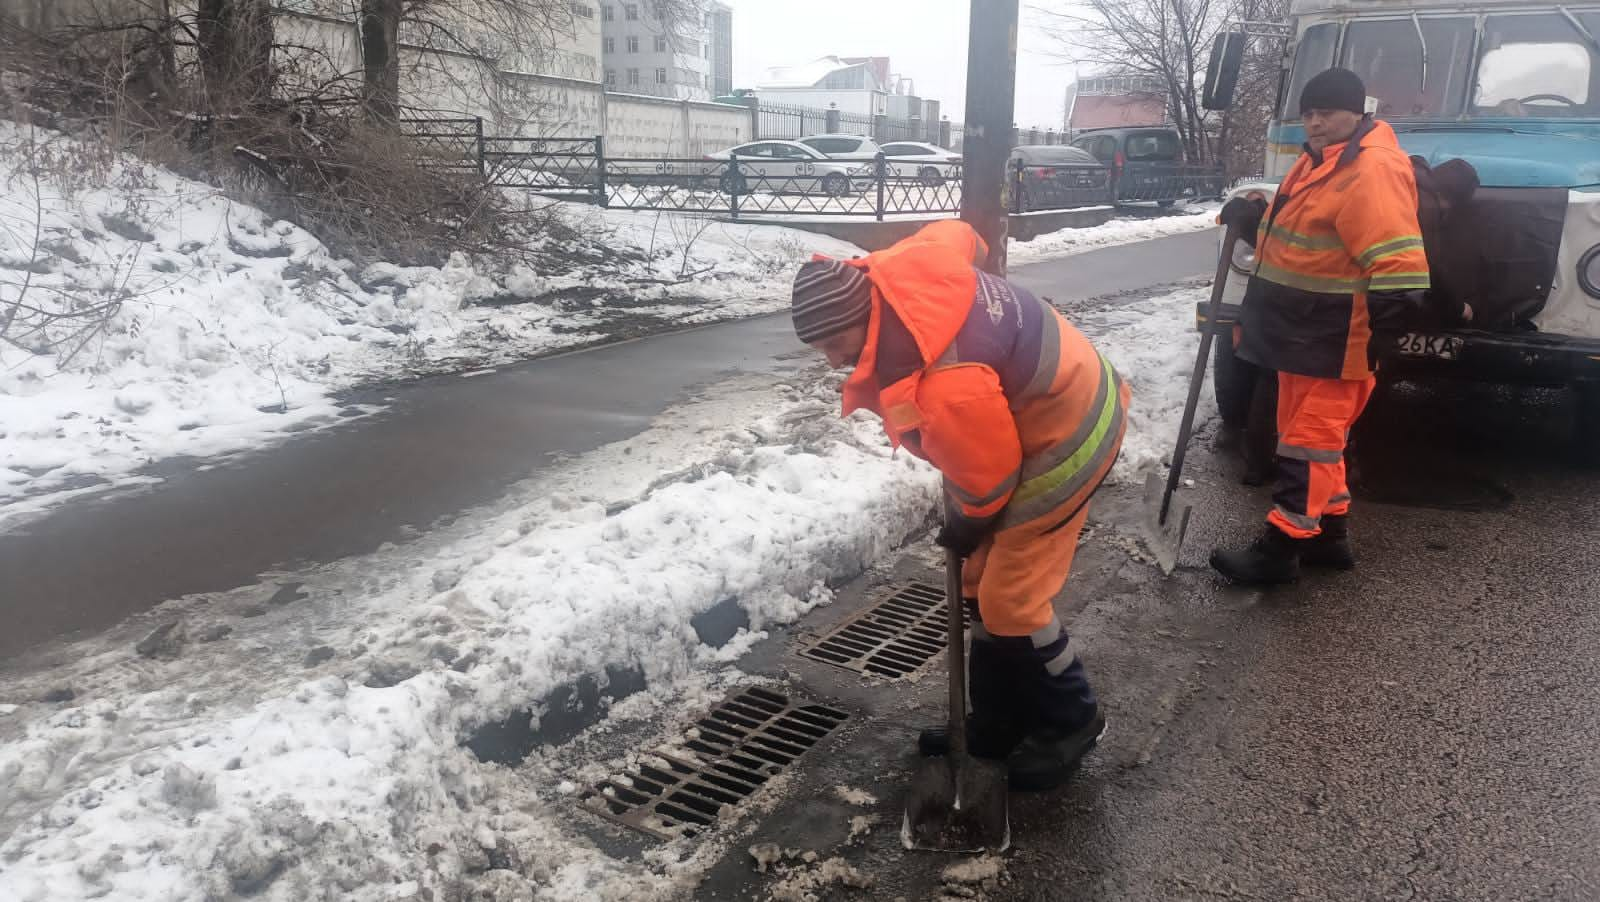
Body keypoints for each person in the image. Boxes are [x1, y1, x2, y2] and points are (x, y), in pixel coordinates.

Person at [789, 220, 1130, 790]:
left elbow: (990, 479)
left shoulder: (944, 383)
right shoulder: (898, 271)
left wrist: (968, 523)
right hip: (1039, 406)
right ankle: (995, 721)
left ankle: (1073, 719)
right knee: (979, 584)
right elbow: (960, 234)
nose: (830, 362)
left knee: (1012, 599)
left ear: (864, 316)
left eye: (833, 344)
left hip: (1071, 433)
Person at [1210, 68, 1430, 585]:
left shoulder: (1371, 170)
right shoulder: (1318, 163)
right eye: (1308, 113)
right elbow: (1298, 235)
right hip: (1301, 334)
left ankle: (1280, 550)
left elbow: (1396, 258)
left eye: (1326, 112)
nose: (1315, 122)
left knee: (1308, 443)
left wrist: (1388, 323)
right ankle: (1330, 537)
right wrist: (1251, 218)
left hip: (1338, 340)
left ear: (1357, 112)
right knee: (1309, 441)